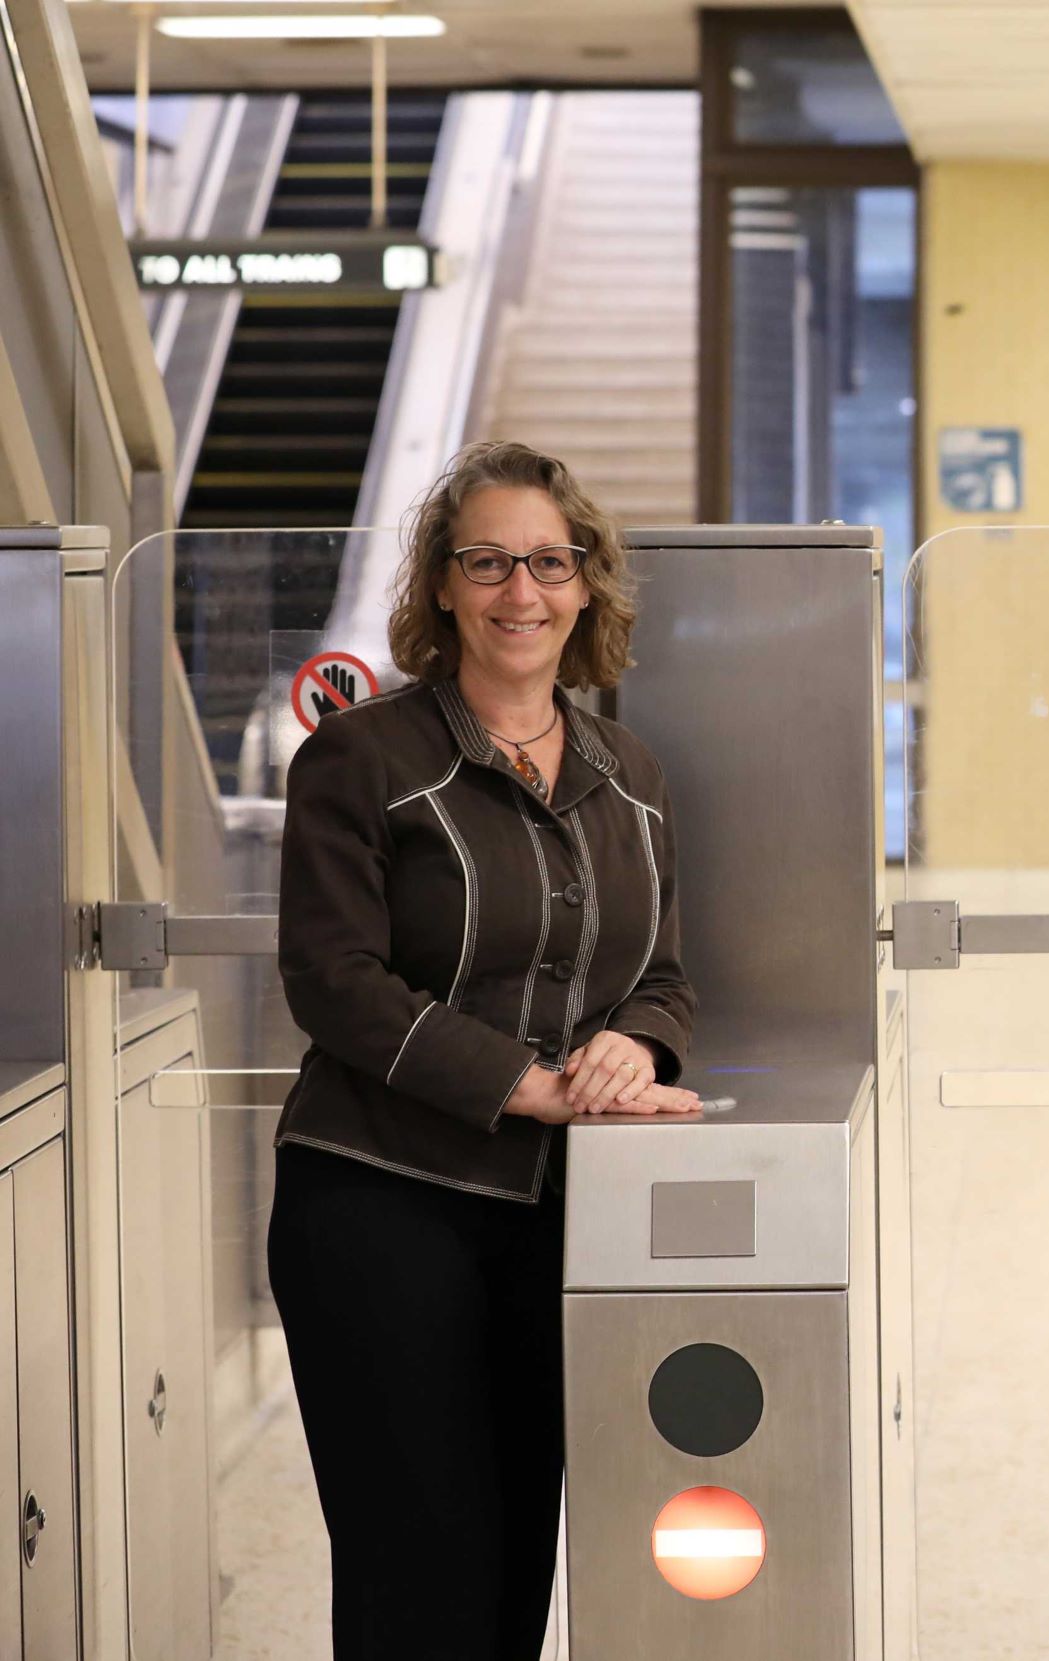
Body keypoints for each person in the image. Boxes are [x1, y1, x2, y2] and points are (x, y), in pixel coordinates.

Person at [270, 440, 701, 1659]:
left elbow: (665, 975)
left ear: (588, 583)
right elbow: (334, 982)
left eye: (551, 562)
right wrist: (524, 1084)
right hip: (380, 1205)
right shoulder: (361, 760)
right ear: (445, 585)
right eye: (491, 562)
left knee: (519, 1563)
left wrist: (634, 1047)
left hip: (563, 1220)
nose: (524, 591)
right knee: (420, 1574)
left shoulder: (636, 777)